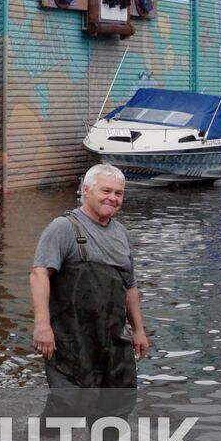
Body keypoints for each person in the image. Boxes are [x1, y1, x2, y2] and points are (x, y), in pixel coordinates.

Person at [29, 163, 150, 388]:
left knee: (116, 406)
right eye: (106, 191)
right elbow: (39, 275)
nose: (112, 198)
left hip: (113, 341)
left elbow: (130, 285)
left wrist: (139, 331)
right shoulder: (63, 228)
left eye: (118, 193)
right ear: (86, 190)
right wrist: (42, 325)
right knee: (69, 406)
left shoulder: (121, 234)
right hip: (72, 341)